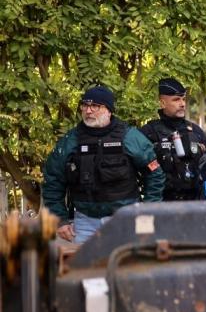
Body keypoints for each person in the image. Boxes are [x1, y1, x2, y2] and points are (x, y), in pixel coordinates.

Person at [42, 85, 165, 243]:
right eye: (85, 105)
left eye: (95, 106)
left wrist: (148, 211)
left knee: (125, 266)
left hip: (125, 219)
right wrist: (60, 219)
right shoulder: (71, 140)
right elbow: (53, 179)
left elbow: (154, 174)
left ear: (109, 110)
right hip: (84, 222)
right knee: (86, 267)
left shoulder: (130, 137)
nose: (88, 110)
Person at [140, 78, 206, 201]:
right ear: (162, 103)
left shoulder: (196, 131)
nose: (182, 104)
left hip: (193, 203)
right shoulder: (148, 133)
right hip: (162, 203)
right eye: (176, 99)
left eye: (183, 99)